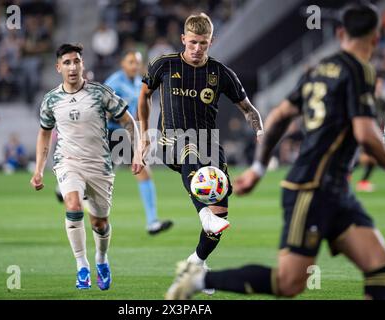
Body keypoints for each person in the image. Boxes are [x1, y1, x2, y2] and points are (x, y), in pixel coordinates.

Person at [165, 4, 385, 300]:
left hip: (335, 191)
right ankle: (198, 279)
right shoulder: (360, 70)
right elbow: (365, 133)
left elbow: (280, 114)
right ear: (376, 39)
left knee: (380, 268)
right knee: (289, 283)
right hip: (311, 189)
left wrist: (258, 168)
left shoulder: (318, 69)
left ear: (339, 33)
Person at [138, 13, 263, 295]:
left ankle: (197, 261)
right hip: (173, 142)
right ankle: (203, 213)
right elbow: (144, 95)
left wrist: (262, 134)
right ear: (183, 39)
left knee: (222, 211)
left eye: (203, 44)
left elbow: (249, 110)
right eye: (192, 42)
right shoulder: (164, 65)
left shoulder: (221, 74)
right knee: (191, 150)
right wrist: (142, 137)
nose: (197, 49)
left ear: (211, 42)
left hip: (209, 144)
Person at [30, 43, 143, 290]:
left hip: (99, 165)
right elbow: (44, 134)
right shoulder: (51, 100)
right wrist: (38, 169)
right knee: (72, 204)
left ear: (83, 64)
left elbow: (128, 120)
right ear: (58, 67)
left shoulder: (100, 93)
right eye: (67, 62)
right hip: (68, 162)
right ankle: (82, 267)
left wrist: (137, 153)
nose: (73, 67)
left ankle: (101, 259)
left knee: (99, 223)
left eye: (77, 61)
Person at [105, 50, 173, 235]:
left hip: (123, 134)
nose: (134, 65)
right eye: (130, 62)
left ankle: (152, 222)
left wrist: (141, 133)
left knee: (143, 172)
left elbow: (137, 111)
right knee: (97, 179)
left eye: (137, 62)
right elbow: (101, 108)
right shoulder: (113, 82)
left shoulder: (138, 83)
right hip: (106, 134)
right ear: (122, 63)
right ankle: (64, 189)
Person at [355, 75, 385, 192]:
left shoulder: (383, 102)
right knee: (365, 158)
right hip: (362, 132)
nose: (379, 87)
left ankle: (362, 181)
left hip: (376, 133)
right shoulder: (364, 99)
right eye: (377, 84)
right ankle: (350, 177)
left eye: (381, 85)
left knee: (371, 158)